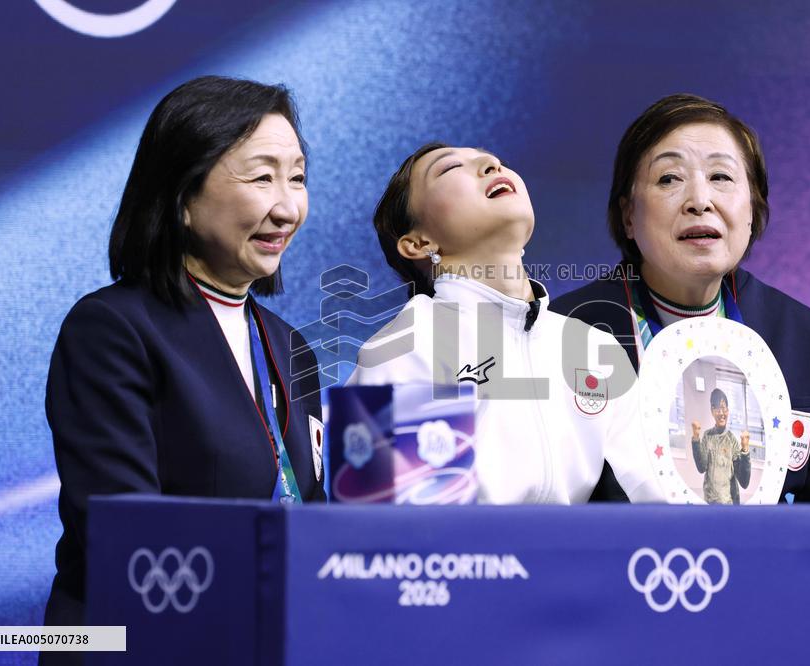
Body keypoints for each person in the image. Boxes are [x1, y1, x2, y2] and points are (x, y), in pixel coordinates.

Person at [43, 76, 324, 637]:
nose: (288, 206)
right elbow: (120, 529)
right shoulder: (113, 327)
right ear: (183, 199)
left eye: (297, 177)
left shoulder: (291, 345)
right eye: (262, 177)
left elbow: (313, 514)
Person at [550, 93, 810, 504]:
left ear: (752, 208)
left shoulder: (807, 338)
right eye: (669, 179)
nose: (700, 200)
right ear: (629, 216)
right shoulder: (566, 332)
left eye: (721, 177)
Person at [347, 143, 661, 504]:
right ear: (419, 243)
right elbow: (376, 529)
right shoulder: (404, 347)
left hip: (578, 559)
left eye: (498, 161)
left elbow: (657, 504)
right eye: (450, 168)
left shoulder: (594, 349)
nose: (490, 163)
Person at [691, 388, 751, 504]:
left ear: (728, 411)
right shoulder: (707, 436)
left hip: (729, 505)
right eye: (718, 409)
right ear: (712, 411)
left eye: (724, 408)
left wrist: (745, 450)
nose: (721, 413)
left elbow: (744, 482)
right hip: (710, 503)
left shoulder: (732, 440)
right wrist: (695, 438)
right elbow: (701, 467)